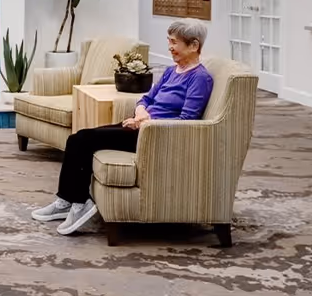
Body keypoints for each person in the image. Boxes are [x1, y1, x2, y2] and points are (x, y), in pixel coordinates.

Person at [31, 19, 214, 236]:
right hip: (139, 125)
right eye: (169, 41)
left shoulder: (200, 78)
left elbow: (186, 122)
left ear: (194, 46)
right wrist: (140, 113)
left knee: (81, 140)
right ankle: (65, 201)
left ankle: (80, 204)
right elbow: (146, 99)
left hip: (154, 136)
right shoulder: (171, 71)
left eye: (175, 42)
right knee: (78, 138)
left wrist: (146, 123)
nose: (170, 47)